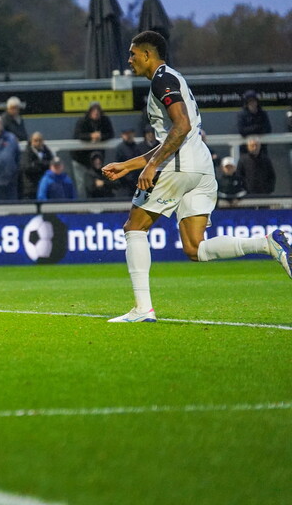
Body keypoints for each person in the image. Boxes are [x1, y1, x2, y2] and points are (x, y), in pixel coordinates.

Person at [101, 31, 291, 323]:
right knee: (194, 247)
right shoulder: (173, 77)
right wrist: (129, 165)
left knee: (134, 228)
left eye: (132, 54)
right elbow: (175, 136)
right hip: (200, 165)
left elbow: (181, 127)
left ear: (148, 55)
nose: (129, 60)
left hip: (180, 165)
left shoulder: (162, 80)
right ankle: (269, 243)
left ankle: (142, 309)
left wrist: (151, 167)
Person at [71, 101, 114, 195]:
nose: (96, 113)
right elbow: (77, 135)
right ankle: (82, 207)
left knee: (98, 183)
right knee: (81, 184)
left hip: (96, 160)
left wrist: (101, 136)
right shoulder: (82, 120)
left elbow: (111, 134)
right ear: (89, 112)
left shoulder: (105, 120)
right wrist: (91, 136)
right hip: (80, 159)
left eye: (98, 111)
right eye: (93, 111)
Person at [20, 131, 54, 200]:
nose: (38, 143)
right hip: (31, 188)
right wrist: (42, 166)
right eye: (35, 140)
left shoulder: (47, 152)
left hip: (45, 187)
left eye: (40, 140)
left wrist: (37, 164)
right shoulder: (27, 153)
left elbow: (51, 165)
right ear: (31, 141)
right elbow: (27, 168)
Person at [112, 128, 142, 197]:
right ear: (122, 135)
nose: (128, 136)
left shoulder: (138, 148)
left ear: (133, 134)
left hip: (137, 183)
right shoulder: (120, 149)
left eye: (130, 134)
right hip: (124, 185)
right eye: (126, 134)